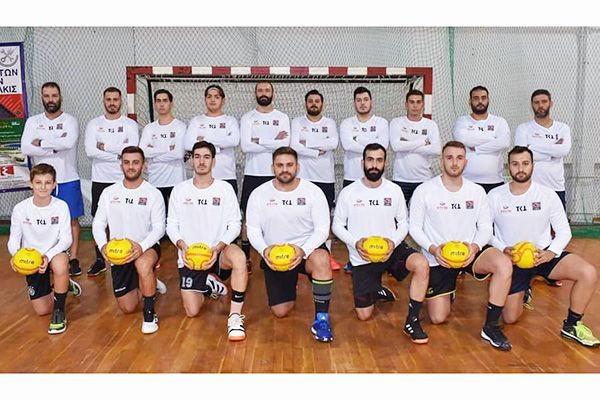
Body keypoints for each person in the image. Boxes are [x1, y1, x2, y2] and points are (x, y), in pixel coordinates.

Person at [488, 146, 599, 347]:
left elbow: (564, 231)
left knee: (588, 272)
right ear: (508, 167)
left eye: (525, 163)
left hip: (543, 256)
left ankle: (572, 325)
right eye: (515, 164)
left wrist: (550, 253)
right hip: (513, 262)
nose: (520, 169)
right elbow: (486, 232)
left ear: (532, 165)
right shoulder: (495, 196)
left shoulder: (547, 195)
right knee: (510, 318)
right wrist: (503, 248)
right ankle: (524, 289)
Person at [409, 141, 513, 351]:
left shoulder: (476, 191)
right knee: (438, 318)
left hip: (469, 253)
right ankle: (448, 290)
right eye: (449, 158)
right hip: (438, 257)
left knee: (503, 264)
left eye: (459, 158)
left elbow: (486, 228)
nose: (454, 163)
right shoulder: (424, 190)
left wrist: (474, 248)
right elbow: (414, 228)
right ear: (441, 162)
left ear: (465, 162)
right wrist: (433, 249)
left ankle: (491, 326)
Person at [332, 143, 430, 344]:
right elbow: (337, 226)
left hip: (391, 250)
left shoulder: (394, 190)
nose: (374, 165)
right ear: (362, 163)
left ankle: (412, 321)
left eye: (379, 160)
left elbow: (403, 223)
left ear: (385, 163)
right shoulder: (349, 192)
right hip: (362, 255)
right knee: (364, 315)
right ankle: (376, 289)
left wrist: (393, 242)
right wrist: (356, 243)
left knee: (421, 264)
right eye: (370, 160)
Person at [246, 146, 333, 342]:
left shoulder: (313, 192)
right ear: (272, 168)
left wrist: (303, 250)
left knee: (322, 259)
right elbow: (253, 230)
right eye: (280, 165)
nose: (285, 169)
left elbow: (322, 229)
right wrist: (264, 250)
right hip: (275, 255)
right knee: (280, 311)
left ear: (297, 167)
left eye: (289, 165)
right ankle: (290, 284)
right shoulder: (259, 194)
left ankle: (322, 320)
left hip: (306, 250)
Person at [167, 141, 248, 341]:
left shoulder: (225, 189)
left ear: (214, 161)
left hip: (218, 253)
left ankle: (235, 317)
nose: (201, 161)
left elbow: (235, 224)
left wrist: (218, 247)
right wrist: (182, 246)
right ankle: (209, 285)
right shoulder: (179, 190)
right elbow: (171, 225)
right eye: (197, 157)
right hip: (190, 256)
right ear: (191, 161)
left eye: (206, 157)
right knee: (192, 311)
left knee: (239, 258)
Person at [92, 146, 167, 334]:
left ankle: (149, 313)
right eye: (126, 162)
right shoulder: (109, 192)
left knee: (142, 264)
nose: (131, 166)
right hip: (119, 253)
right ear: (121, 165)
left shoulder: (153, 193)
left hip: (147, 247)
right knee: (127, 307)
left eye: (135, 162)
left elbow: (159, 228)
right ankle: (149, 282)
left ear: (144, 165)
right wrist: (103, 246)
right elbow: (98, 224)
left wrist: (141, 246)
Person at [8, 163, 82, 334]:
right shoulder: (20, 209)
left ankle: (59, 312)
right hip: (32, 259)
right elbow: (13, 240)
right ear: (30, 184)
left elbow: (66, 239)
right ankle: (64, 284)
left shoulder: (61, 206)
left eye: (48, 183)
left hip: (54, 253)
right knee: (42, 310)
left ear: (54, 185)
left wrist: (47, 256)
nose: (43, 187)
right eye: (38, 182)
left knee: (60, 265)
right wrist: (16, 256)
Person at [21, 82, 85, 277]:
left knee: (72, 220)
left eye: (54, 95)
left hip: (67, 178)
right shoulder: (33, 121)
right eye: (47, 96)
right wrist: (55, 146)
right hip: (42, 181)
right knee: (46, 219)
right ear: (42, 97)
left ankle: (73, 259)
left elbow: (68, 142)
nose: (51, 99)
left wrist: (40, 143)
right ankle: (47, 257)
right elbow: (26, 148)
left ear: (60, 97)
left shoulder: (70, 121)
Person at [84, 86, 139, 277]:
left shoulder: (130, 124)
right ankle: (100, 259)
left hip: (123, 180)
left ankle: (131, 253)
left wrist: (104, 146)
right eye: (108, 99)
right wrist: (118, 154)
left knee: (128, 216)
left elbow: (131, 149)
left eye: (115, 99)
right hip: (100, 179)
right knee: (99, 219)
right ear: (103, 100)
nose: (112, 103)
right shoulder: (94, 124)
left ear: (121, 101)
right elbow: (90, 151)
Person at [239, 81, 291, 272]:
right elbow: (246, 146)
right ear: (255, 94)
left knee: (279, 214)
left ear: (273, 94)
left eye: (267, 90)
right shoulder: (248, 118)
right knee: (247, 218)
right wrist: (273, 141)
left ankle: (280, 254)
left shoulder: (282, 117)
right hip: (253, 173)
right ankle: (245, 258)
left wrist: (258, 140)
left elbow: (284, 144)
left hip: (276, 174)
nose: (263, 93)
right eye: (260, 90)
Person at [339, 86, 389, 273]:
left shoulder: (381, 122)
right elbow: (347, 144)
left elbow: (382, 147)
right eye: (359, 100)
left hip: (375, 180)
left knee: (376, 219)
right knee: (352, 223)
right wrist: (370, 143)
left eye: (365, 99)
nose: (362, 103)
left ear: (371, 101)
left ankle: (381, 256)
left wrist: (358, 140)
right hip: (351, 178)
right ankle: (353, 260)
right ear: (354, 103)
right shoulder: (346, 123)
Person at [290, 89, 341, 270]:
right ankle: (299, 254)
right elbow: (294, 145)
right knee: (301, 217)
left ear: (322, 104)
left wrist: (307, 144)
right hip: (303, 178)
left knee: (325, 218)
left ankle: (327, 255)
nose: (313, 104)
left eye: (317, 101)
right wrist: (317, 150)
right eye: (310, 101)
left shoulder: (330, 123)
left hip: (325, 178)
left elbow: (333, 144)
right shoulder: (297, 122)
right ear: (305, 103)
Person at [514, 89, 571, 211]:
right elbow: (522, 156)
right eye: (536, 102)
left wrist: (532, 147)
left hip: (556, 188)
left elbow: (563, 150)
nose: (540, 105)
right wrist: (552, 152)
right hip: (530, 188)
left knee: (557, 223)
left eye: (544, 101)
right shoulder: (523, 128)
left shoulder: (562, 128)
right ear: (532, 105)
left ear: (551, 103)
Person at [452, 85, 510, 193]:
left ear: (488, 100)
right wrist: (493, 139)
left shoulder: (499, 121)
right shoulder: (462, 121)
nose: (480, 101)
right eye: (476, 98)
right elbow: (463, 140)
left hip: (495, 182)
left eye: (483, 98)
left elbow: (504, 143)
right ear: (470, 101)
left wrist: (477, 148)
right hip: (467, 181)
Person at [184, 85, 240, 194]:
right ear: (205, 99)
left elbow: (234, 141)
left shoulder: (230, 121)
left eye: (216, 97)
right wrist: (220, 146)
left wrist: (204, 140)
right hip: (202, 178)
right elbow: (188, 144)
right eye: (209, 96)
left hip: (226, 176)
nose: (212, 100)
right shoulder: (196, 121)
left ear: (223, 100)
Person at [389, 89, 441, 206]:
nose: (415, 105)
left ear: (423, 104)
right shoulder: (397, 122)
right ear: (406, 104)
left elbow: (436, 149)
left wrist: (406, 144)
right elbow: (396, 146)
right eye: (412, 102)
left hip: (424, 179)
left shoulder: (431, 125)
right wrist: (423, 142)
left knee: (423, 213)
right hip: (401, 180)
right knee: (400, 214)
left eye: (418, 102)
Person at [139, 89, 186, 215]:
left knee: (176, 218)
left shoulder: (180, 126)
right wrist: (167, 150)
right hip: (155, 180)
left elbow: (178, 153)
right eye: (158, 101)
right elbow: (142, 151)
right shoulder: (149, 128)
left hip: (176, 181)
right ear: (154, 104)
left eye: (165, 100)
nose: (161, 104)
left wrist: (154, 155)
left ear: (171, 103)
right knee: (157, 218)